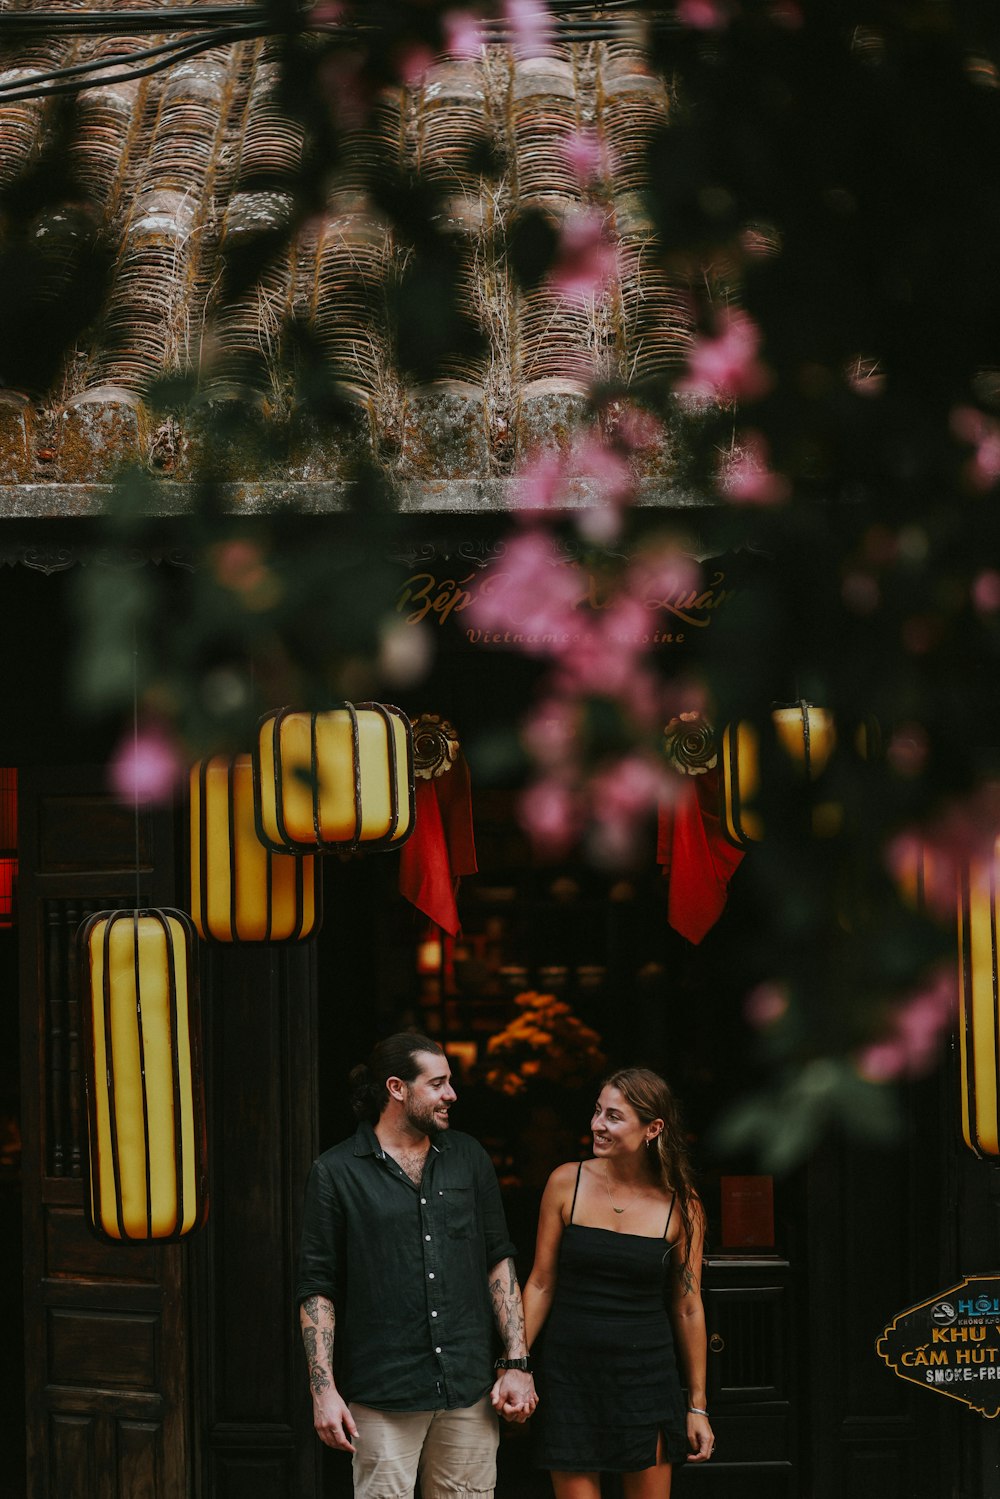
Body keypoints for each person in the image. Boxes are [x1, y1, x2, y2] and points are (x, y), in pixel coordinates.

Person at [295, 1031, 538, 1499]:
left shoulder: (468, 1157)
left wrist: (516, 1362)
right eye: (438, 1083)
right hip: (384, 1391)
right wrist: (322, 1390)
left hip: (467, 1388)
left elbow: (498, 1261)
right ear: (396, 1088)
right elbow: (317, 1286)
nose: (452, 1094)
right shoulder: (336, 1171)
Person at [521, 1066, 714, 1499]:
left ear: (653, 1128)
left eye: (612, 1116)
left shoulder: (682, 1206)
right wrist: (514, 1363)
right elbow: (540, 1283)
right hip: (570, 1376)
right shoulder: (565, 1182)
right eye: (596, 1111)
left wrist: (697, 1405)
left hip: (646, 1378)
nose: (596, 1125)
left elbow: (687, 1306)